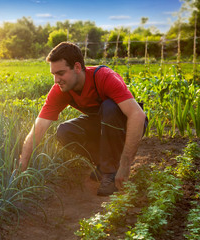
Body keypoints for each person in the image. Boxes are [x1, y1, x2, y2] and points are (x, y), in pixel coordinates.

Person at [18, 42, 148, 196]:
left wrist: (126, 165)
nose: (56, 80)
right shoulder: (60, 90)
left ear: (77, 68)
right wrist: (21, 167)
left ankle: (110, 172)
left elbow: (137, 115)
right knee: (65, 131)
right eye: (54, 74)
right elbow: (38, 128)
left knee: (109, 107)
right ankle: (105, 165)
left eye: (61, 73)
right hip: (102, 125)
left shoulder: (104, 77)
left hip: (126, 125)